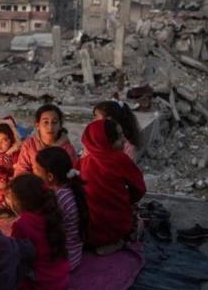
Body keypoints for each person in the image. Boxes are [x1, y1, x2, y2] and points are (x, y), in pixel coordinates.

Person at [79, 119, 146, 254]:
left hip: (87, 230)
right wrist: (126, 201)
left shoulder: (82, 163)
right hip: (116, 226)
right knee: (137, 220)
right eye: (118, 137)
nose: (124, 141)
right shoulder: (120, 159)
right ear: (105, 141)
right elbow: (140, 189)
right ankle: (118, 241)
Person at [8, 174, 70, 290]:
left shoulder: (22, 224)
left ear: (19, 201)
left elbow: (16, 256)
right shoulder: (53, 212)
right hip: (62, 280)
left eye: (11, 198)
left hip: (41, 287)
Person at [34, 147, 87, 271]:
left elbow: (45, 229)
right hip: (75, 254)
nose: (34, 173)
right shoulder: (72, 187)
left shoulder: (58, 198)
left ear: (50, 176)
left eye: (37, 170)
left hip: (64, 260)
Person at [14, 104, 77, 177]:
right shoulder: (29, 145)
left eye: (54, 122)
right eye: (46, 122)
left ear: (60, 126)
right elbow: (20, 172)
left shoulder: (67, 150)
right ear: (38, 125)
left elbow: (73, 175)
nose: (50, 127)